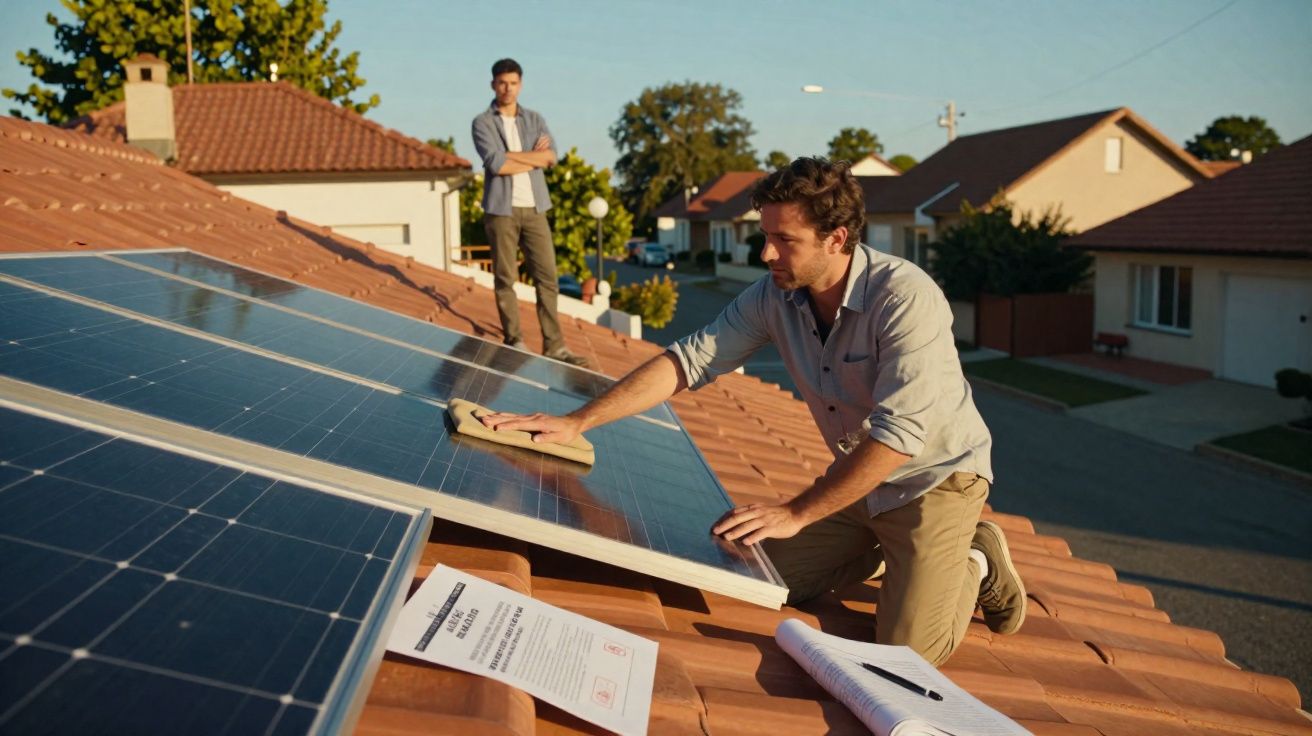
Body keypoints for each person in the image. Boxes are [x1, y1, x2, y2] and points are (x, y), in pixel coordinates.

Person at [479, 157, 1026, 666]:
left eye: (783, 240)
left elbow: (899, 436)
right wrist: (577, 421)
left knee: (905, 654)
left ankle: (975, 558)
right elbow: (689, 360)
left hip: (936, 479)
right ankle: (881, 549)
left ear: (837, 239)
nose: (766, 254)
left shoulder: (905, 298)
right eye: (765, 235)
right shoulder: (775, 295)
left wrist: (797, 513)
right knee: (748, 574)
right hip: (860, 480)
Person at [471, 58, 588, 367]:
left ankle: (555, 346)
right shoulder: (482, 123)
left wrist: (515, 156)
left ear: (520, 85)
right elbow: (497, 165)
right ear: (493, 85)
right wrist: (530, 156)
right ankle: (515, 340)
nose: (507, 88)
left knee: (547, 277)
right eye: (502, 83)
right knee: (505, 277)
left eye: (513, 83)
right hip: (501, 210)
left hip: (535, 208)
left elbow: (550, 157)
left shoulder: (534, 119)